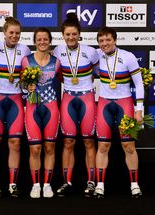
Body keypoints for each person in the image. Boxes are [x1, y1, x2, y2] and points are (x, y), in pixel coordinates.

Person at [94, 26, 144, 198]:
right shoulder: (97, 55)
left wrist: (139, 110)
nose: (105, 43)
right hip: (104, 104)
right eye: (101, 41)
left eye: (108, 40)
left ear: (115, 40)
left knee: (128, 146)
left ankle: (135, 185)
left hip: (125, 104)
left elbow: (139, 84)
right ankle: (99, 185)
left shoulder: (128, 56)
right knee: (102, 145)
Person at [53, 13, 99, 197]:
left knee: (89, 141)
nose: (71, 37)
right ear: (63, 35)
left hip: (87, 98)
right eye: (67, 35)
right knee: (68, 142)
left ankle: (91, 182)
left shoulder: (90, 51)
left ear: (79, 34)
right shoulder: (57, 51)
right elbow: (55, 74)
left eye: (74, 34)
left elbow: (98, 72)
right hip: (68, 99)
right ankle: (66, 182)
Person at [0, 17, 31, 198]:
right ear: (4, 33)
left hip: (16, 100)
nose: (14, 36)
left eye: (17, 33)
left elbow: (30, 73)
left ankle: (12, 184)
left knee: (15, 142)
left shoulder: (25, 49)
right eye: (11, 33)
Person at [21, 28, 61, 198]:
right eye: (39, 39)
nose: (42, 42)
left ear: (50, 41)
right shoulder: (26, 60)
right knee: (35, 149)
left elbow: (65, 80)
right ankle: (36, 185)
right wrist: (27, 86)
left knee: (49, 147)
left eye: (45, 39)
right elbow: (21, 84)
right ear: (35, 41)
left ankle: (47, 185)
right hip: (33, 108)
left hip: (51, 108)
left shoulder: (57, 61)